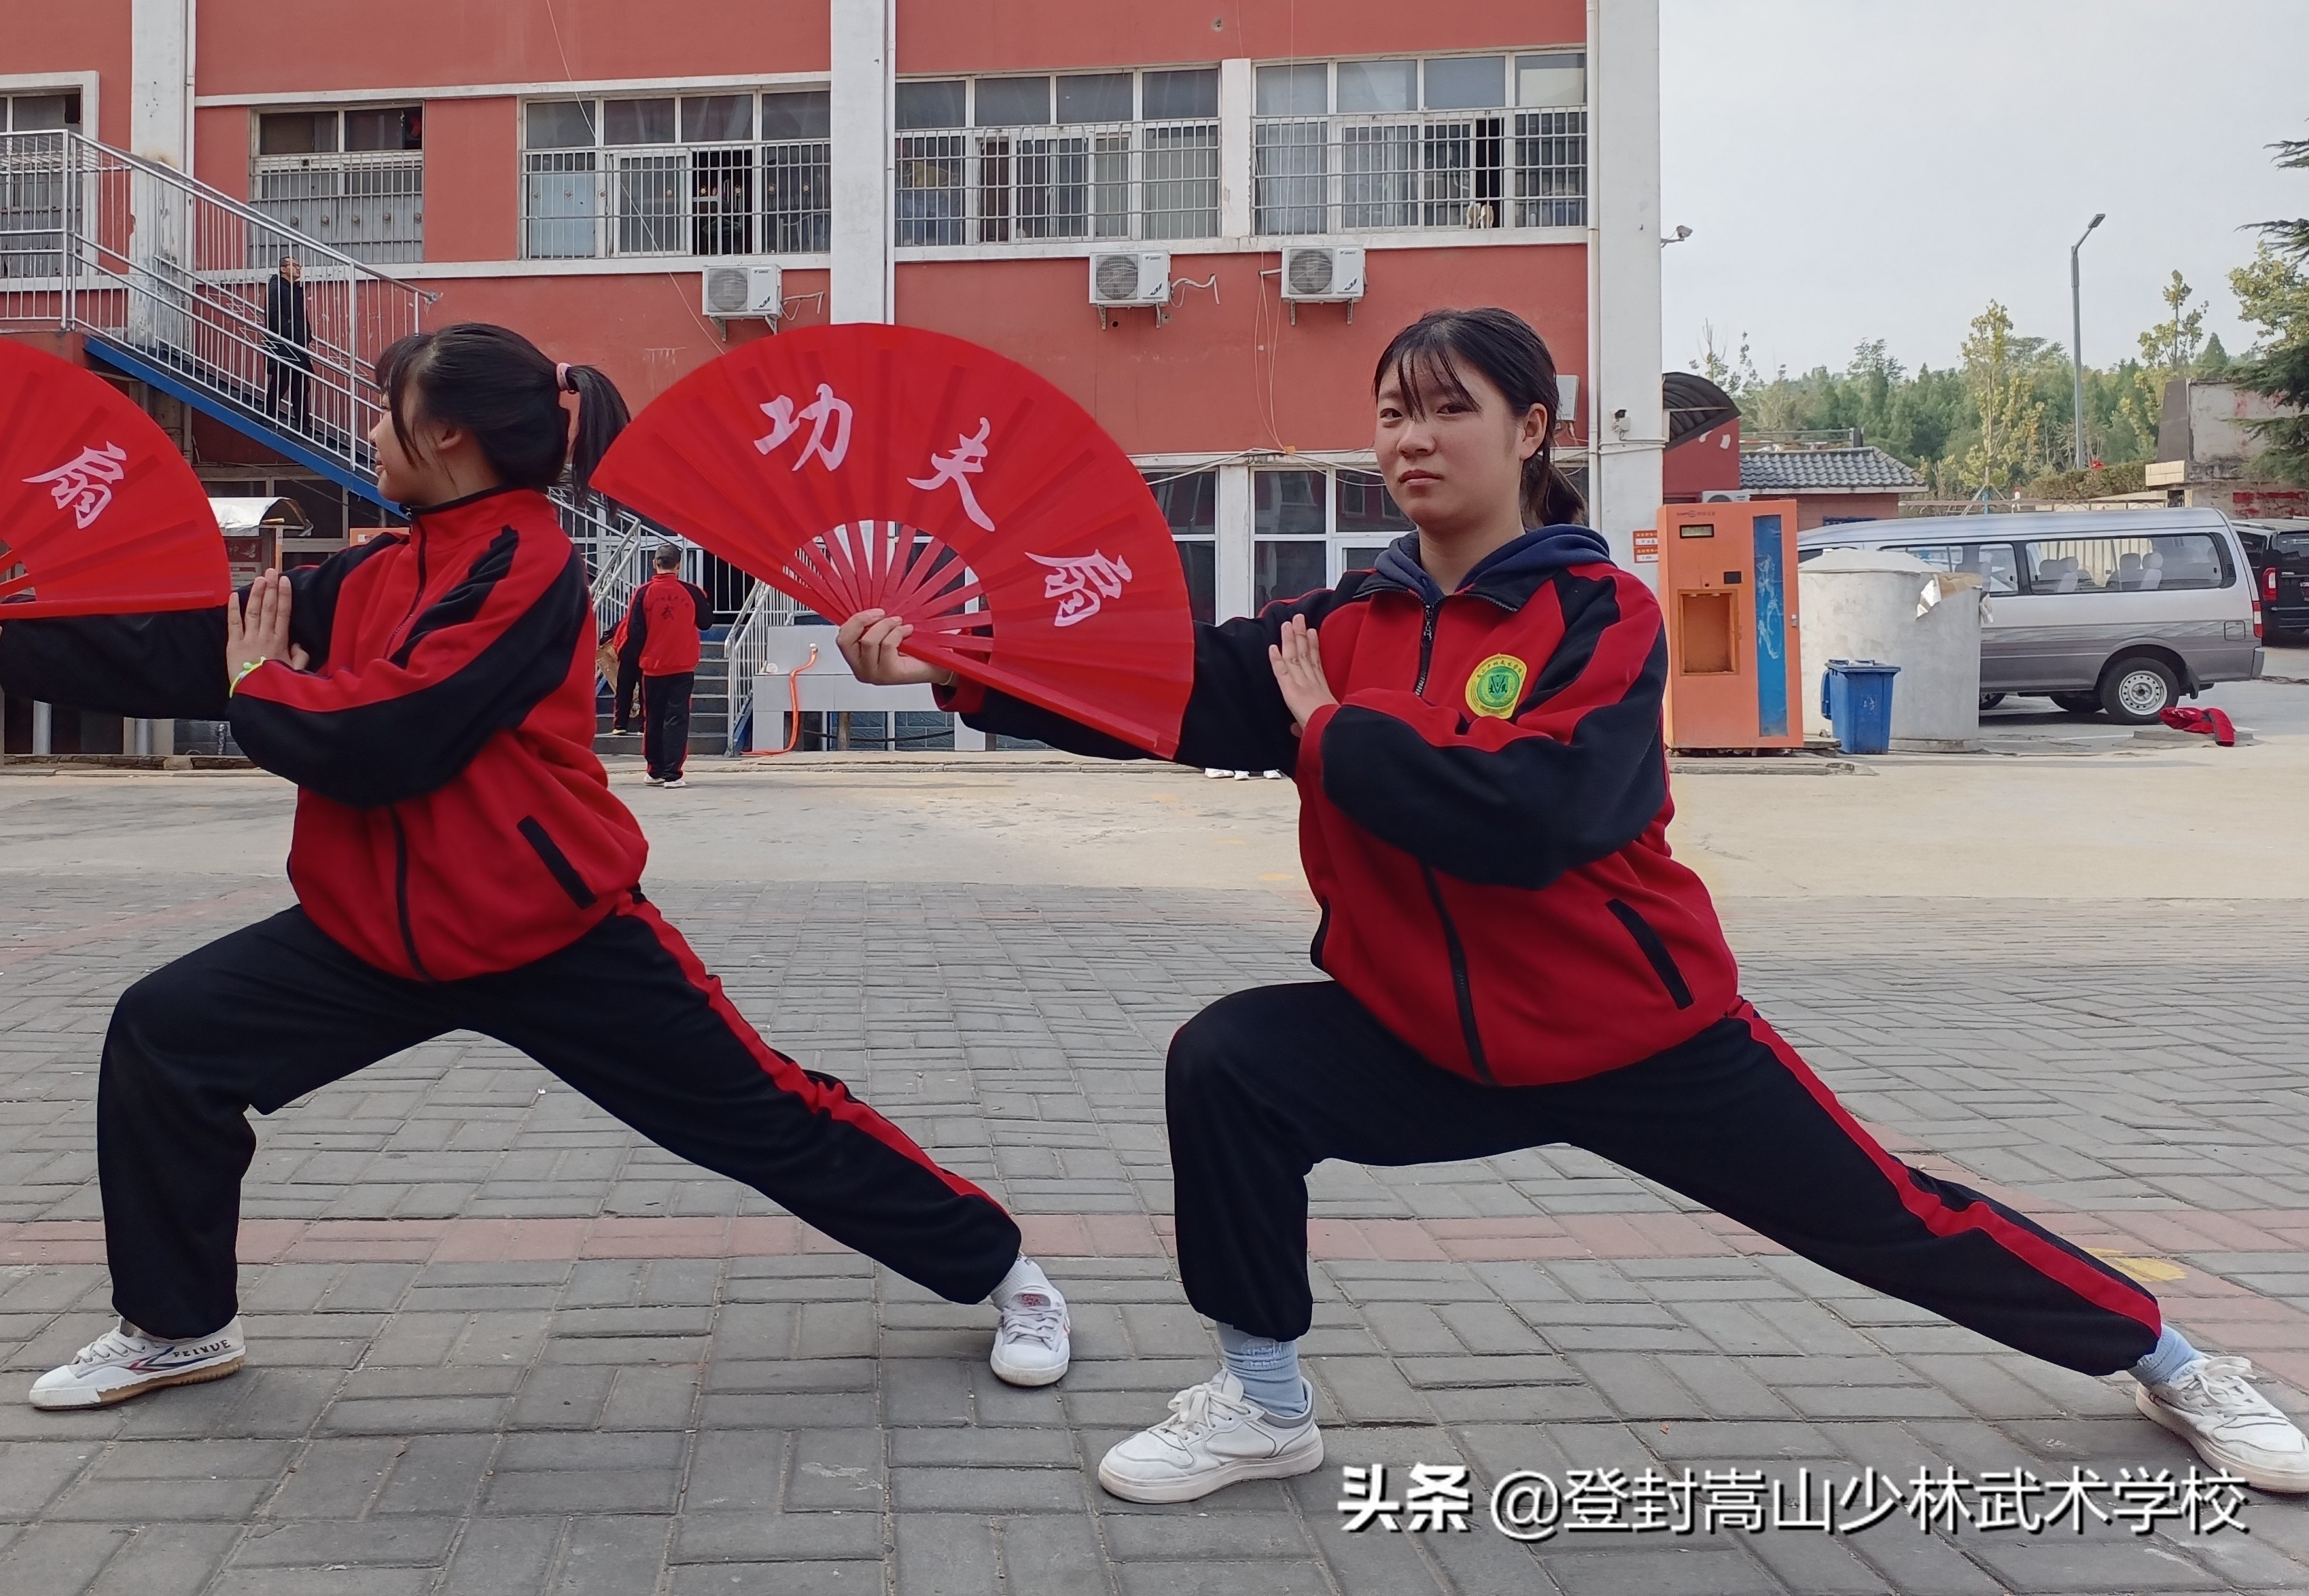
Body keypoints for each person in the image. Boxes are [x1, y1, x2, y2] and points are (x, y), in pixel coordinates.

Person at [837, 305, 2309, 1504]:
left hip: (1637, 1038)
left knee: (1891, 1220)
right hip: (1427, 1036)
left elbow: (1543, 817)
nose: (1411, 439)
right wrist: (958, 664)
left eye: (1448, 409)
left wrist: (1334, 736)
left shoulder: (1597, 613)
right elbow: (1156, 685)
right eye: (1392, 412)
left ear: (1530, 430)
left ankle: (2177, 1363)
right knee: (1229, 1064)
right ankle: (1262, 1405)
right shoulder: (1337, 622)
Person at [0, 321, 1071, 1409]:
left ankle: (1007, 1273)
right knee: (165, 1037)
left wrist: (259, 685)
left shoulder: (526, 566)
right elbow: (216, 637)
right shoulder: (379, 569)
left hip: (545, 929)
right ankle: (178, 1328)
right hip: (375, 936)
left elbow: (386, 735)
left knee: (762, 1116)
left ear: (445, 432)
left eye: (384, 410)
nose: (369, 432)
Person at [617, 544, 710, 786]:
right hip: (682, 665)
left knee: (653, 718)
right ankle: (673, 774)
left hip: (652, 666)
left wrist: (635, 660)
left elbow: (635, 632)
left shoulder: (643, 592)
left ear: (654, 563)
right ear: (679, 565)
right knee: (677, 719)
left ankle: (654, 771)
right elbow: (706, 622)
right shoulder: (692, 591)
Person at [264, 255, 313, 432]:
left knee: (301, 385)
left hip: (297, 346)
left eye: (299, 265)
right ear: (283, 269)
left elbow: (301, 317)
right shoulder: (276, 288)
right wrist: (290, 335)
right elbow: (274, 316)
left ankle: (304, 426)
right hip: (283, 345)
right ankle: (268, 416)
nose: (299, 268)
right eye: (294, 265)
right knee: (281, 382)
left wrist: (306, 336)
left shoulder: (295, 289)